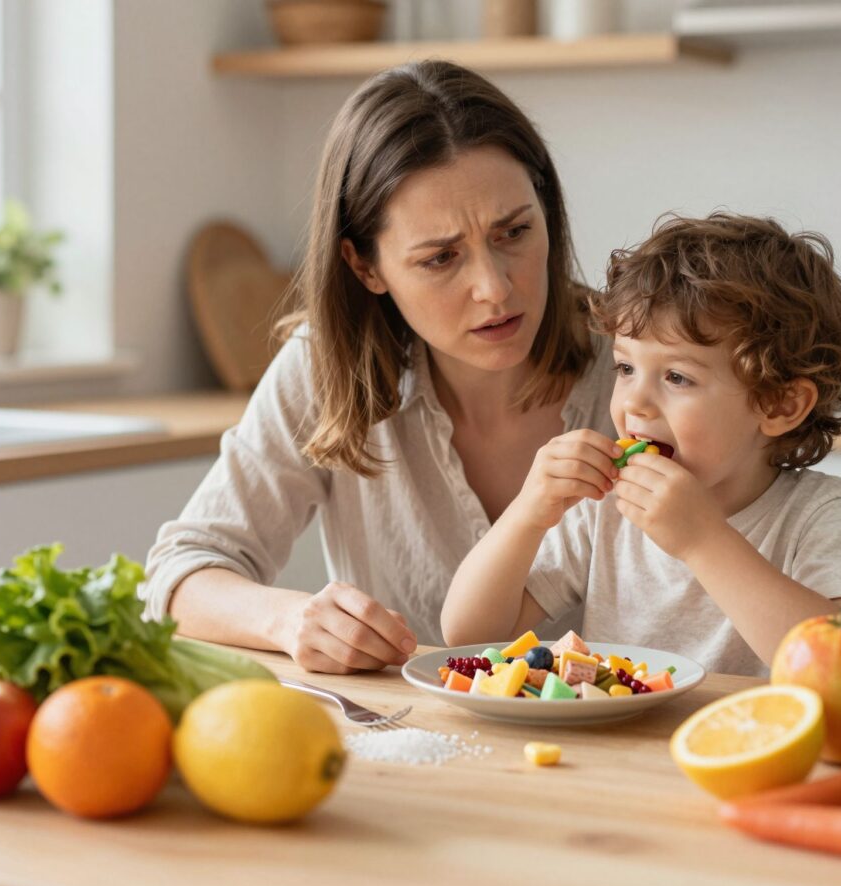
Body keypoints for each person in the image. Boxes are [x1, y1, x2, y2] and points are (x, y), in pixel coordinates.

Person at [144, 61, 617, 673]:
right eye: (441, 258)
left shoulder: (637, 363)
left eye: (514, 232)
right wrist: (289, 619)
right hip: (397, 727)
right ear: (365, 266)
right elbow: (178, 575)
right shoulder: (324, 366)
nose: (495, 288)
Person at [442, 212, 841, 673]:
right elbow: (468, 635)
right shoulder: (604, 507)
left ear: (780, 404)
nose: (634, 403)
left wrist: (703, 541)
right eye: (625, 368)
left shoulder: (823, 514)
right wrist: (527, 514)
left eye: (677, 377)